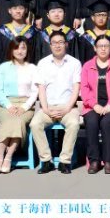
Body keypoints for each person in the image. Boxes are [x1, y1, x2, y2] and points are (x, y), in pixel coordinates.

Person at [30, 30, 82, 174]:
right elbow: (41, 89)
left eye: (61, 42)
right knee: (35, 124)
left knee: (73, 124)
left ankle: (64, 161)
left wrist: (67, 108)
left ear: (66, 44)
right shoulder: (43, 63)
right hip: (48, 107)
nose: (57, 45)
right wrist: (46, 109)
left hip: (68, 107)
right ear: (50, 45)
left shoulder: (74, 63)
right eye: (54, 43)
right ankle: (46, 161)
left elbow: (76, 88)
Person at [80, 35, 110, 174]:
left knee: (107, 122)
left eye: (106, 46)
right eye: (100, 46)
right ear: (95, 48)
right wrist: (94, 105)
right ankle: (94, 160)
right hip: (92, 105)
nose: (103, 49)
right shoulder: (87, 66)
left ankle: (109, 161)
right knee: (92, 122)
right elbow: (84, 89)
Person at [0, 37, 38, 174]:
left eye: (23, 48)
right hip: (7, 104)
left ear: (27, 50)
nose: (20, 51)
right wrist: (8, 105)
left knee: (18, 120)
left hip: (26, 105)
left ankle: (8, 156)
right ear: (11, 50)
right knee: (8, 120)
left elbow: (35, 91)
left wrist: (24, 107)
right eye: (16, 48)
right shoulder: (4, 67)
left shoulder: (32, 68)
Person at [0, 0, 37, 65]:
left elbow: (35, 56)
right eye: (14, 8)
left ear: (26, 10)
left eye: (21, 8)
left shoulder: (32, 32)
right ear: (9, 11)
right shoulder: (2, 31)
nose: (18, 11)